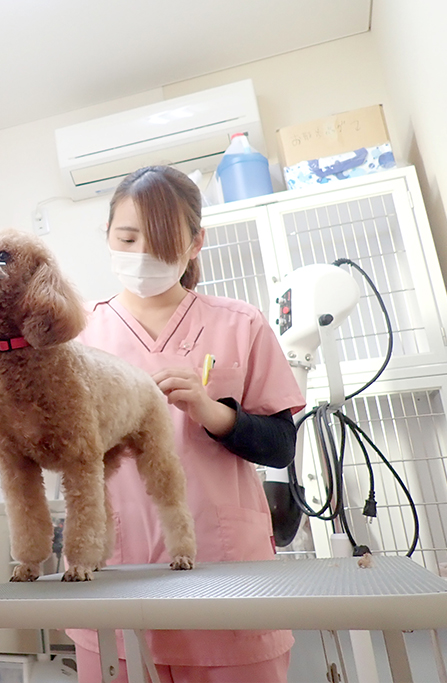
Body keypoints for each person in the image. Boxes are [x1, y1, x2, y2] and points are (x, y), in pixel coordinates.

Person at [68, 165, 305, 683]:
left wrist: (211, 411)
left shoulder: (240, 324)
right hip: (116, 578)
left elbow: (281, 447)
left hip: (227, 581)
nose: (140, 255)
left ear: (197, 241)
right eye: (126, 238)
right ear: (107, 236)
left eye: (160, 241)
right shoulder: (80, 332)